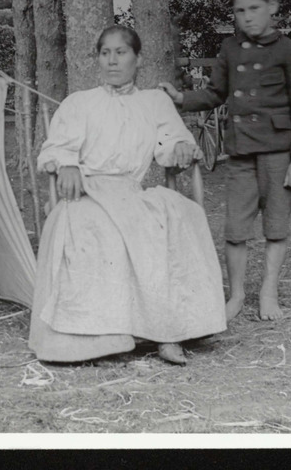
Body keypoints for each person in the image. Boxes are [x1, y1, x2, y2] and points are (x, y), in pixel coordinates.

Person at [30, 25, 227, 365]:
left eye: (121, 53)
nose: (112, 61)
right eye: (105, 53)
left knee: (177, 216)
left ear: (137, 58)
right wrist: (67, 164)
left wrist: (180, 148)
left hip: (130, 192)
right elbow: (56, 148)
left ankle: (170, 331)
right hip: (88, 192)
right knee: (92, 227)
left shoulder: (154, 102)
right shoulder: (79, 103)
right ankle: (101, 338)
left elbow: (172, 142)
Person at [160, 0, 291, 322]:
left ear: (272, 7)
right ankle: (237, 295)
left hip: (279, 152)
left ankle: (268, 293)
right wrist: (182, 98)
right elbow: (215, 93)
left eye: (254, 8)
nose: (247, 17)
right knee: (235, 229)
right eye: (239, 11)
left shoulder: (290, 51)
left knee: (276, 227)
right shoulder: (229, 49)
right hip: (241, 152)